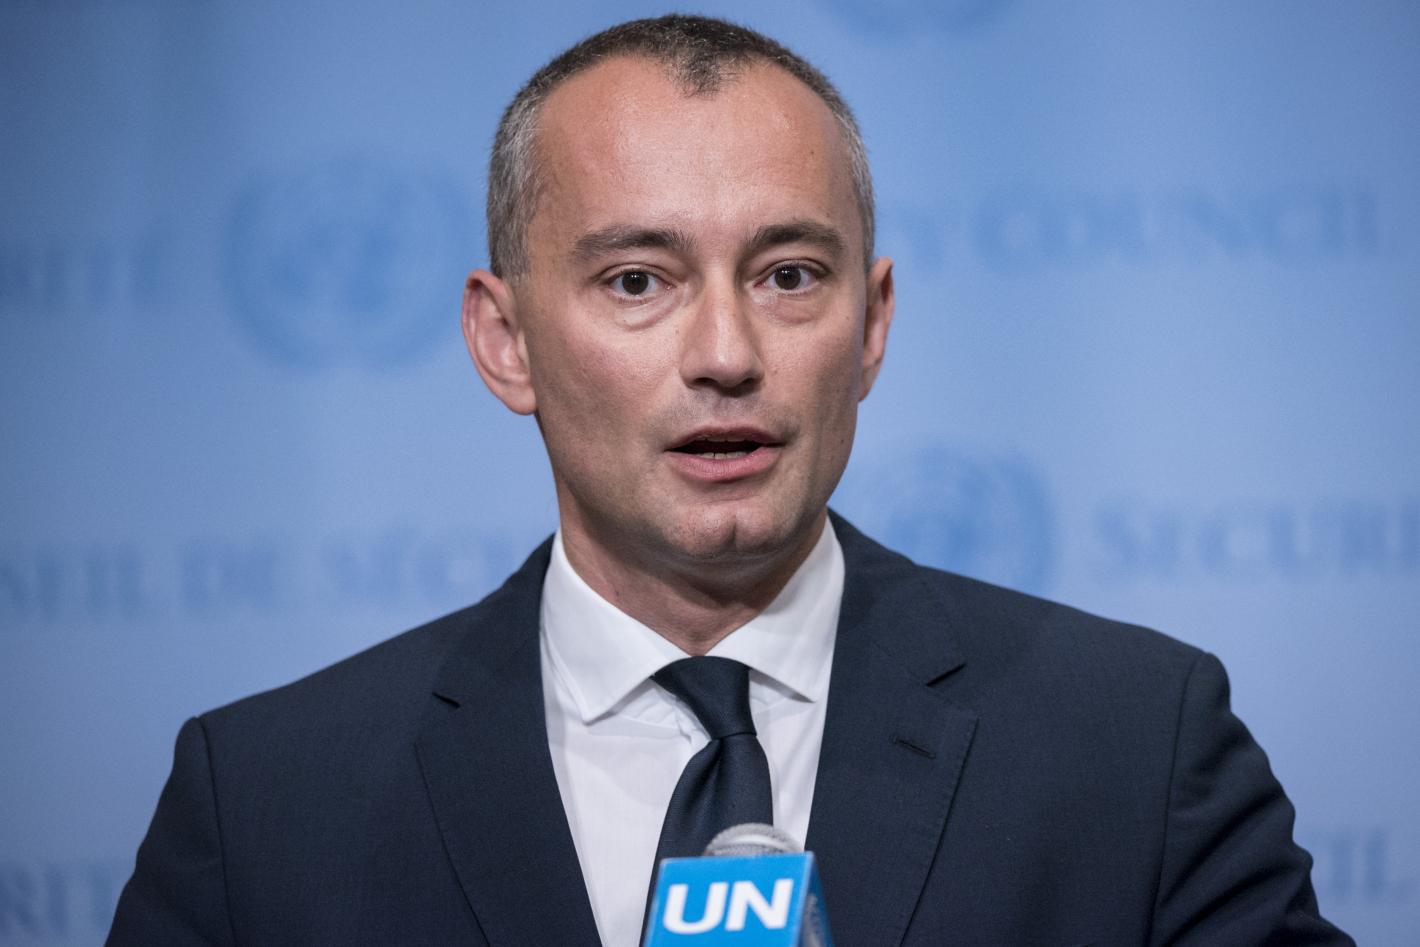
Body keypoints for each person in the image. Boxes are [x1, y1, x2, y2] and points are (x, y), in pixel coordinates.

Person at [108, 14, 1352, 946]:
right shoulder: (268, 800)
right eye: (636, 280)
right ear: (506, 340)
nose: (724, 353)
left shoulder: (1134, 744)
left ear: (871, 325)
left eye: (788, 275)